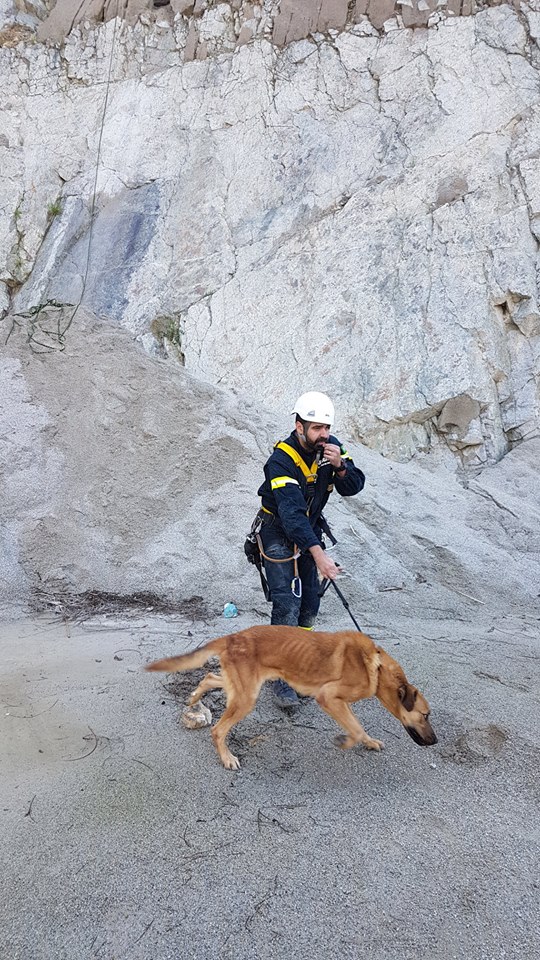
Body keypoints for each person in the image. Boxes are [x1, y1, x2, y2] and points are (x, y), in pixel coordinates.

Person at [256, 391, 365, 710]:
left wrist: (341, 466)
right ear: (299, 425)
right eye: (316, 428)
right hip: (278, 528)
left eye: (326, 428)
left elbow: (354, 487)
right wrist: (319, 554)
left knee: (310, 604)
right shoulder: (282, 459)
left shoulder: (333, 449)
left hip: (310, 528)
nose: (323, 435)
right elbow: (291, 516)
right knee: (287, 601)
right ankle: (278, 677)